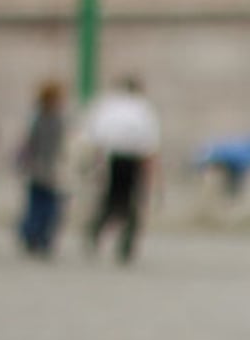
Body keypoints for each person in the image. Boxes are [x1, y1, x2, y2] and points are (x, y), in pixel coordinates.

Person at [80, 74, 159, 264]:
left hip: (112, 156)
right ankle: (126, 243)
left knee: (110, 198)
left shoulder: (109, 105)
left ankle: (95, 230)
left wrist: (93, 162)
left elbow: (94, 133)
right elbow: (150, 142)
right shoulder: (143, 108)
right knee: (131, 202)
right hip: (134, 158)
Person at [14, 80, 67, 259]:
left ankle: (33, 235)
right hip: (49, 168)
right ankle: (39, 236)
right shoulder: (56, 120)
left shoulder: (36, 117)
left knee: (37, 204)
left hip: (37, 167)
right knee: (47, 206)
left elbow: (27, 142)